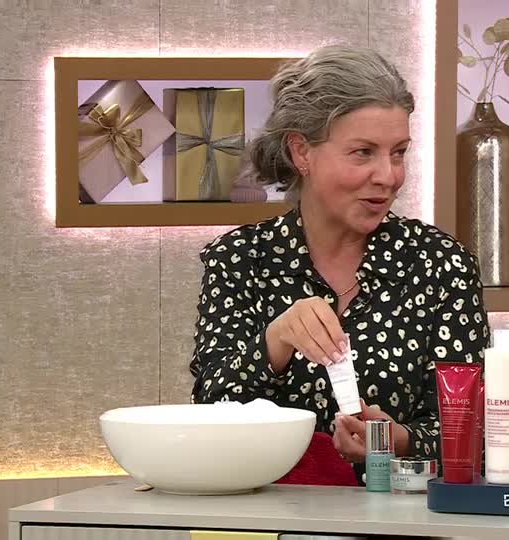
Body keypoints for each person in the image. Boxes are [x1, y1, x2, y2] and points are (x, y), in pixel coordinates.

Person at [189, 45, 490, 478]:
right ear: (301, 152)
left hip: (401, 521)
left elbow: (476, 438)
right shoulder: (239, 261)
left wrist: (399, 441)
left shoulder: (442, 264)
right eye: (363, 152)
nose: (388, 175)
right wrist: (276, 340)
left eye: (399, 152)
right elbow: (209, 416)